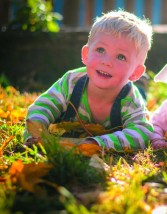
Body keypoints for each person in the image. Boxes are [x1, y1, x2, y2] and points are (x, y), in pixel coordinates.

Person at [24, 10, 154, 152]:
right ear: (86, 54)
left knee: (140, 94)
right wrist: (36, 133)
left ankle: (141, 84)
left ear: (135, 72)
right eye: (100, 50)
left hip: (128, 87)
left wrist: (98, 143)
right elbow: (42, 106)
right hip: (113, 80)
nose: (107, 62)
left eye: (121, 57)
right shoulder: (71, 82)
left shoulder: (130, 100)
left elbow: (142, 133)